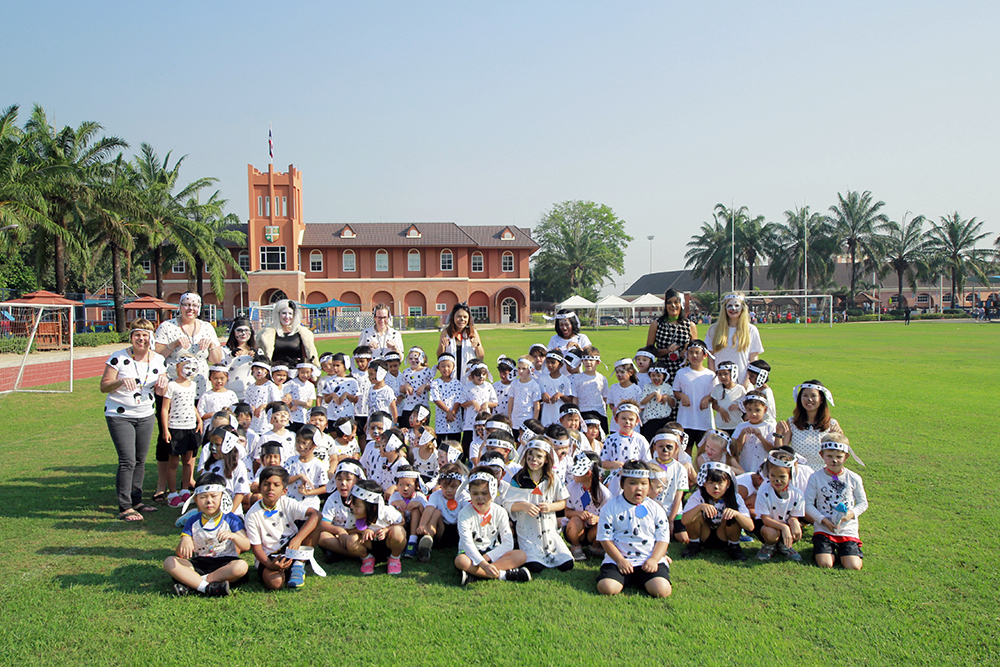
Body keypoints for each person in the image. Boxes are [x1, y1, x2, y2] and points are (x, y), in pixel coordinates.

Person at [153, 292, 224, 500]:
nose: (190, 309)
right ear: (180, 306)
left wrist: (211, 345)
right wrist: (174, 344)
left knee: (194, 434)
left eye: (194, 305)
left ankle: (188, 479)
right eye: (186, 304)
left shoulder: (207, 327)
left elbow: (217, 359)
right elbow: (156, 355)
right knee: (168, 436)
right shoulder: (168, 327)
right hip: (173, 390)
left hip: (198, 388)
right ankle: (162, 484)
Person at [101, 318, 169, 520]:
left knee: (140, 460)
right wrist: (120, 381)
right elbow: (104, 385)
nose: (141, 339)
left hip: (145, 413)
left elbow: (160, 390)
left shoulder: (157, 359)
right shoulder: (119, 358)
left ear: (151, 338)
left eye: (145, 335)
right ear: (131, 337)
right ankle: (124, 506)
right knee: (127, 460)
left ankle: (136, 500)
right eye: (137, 334)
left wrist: (163, 384)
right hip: (120, 414)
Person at [162, 472, 250, 597]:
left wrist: (234, 536)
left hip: (226, 563)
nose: (209, 501)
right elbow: (180, 554)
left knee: (241, 566)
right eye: (203, 497)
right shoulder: (193, 521)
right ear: (196, 499)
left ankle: (194, 583)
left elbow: (246, 545)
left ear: (223, 497)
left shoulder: (231, 519)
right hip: (200, 563)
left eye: (214, 496)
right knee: (169, 562)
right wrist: (185, 540)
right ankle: (208, 587)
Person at [595, 461, 672, 598]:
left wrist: (654, 559)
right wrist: (620, 560)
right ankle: (623, 578)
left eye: (644, 483)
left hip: (648, 559)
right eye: (633, 483)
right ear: (622, 484)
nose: (639, 488)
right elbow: (605, 539)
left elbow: (663, 539)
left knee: (662, 591)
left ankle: (645, 578)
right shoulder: (610, 507)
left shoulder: (656, 508)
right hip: (619, 559)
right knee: (606, 587)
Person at [245, 465, 321, 590]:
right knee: (275, 583)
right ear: (259, 488)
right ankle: (285, 570)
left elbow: (316, 514)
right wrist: (270, 565)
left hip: (292, 548)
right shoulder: (252, 515)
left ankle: (298, 564)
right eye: (266, 484)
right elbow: (257, 548)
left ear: (284, 491)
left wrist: (298, 539)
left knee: (316, 521)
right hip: (269, 556)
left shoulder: (287, 502)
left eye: (276, 485)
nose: (271, 488)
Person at [505, 439, 574, 573]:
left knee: (567, 564)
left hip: (549, 531)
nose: (533, 460)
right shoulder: (518, 479)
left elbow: (563, 502)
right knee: (535, 567)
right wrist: (524, 506)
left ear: (547, 459)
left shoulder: (552, 478)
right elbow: (508, 504)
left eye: (539, 456)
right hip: (528, 531)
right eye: (530, 456)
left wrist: (550, 507)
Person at [454, 468, 531, 585]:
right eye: (475, 494)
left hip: (492, 553)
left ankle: (475, 574)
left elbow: (508, 543)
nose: (480, 498)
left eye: (484, 493)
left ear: (493, 492)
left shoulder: (500, 511)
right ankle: (503, 575)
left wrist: (486, 559)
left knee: (521, 555)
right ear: (470, 493)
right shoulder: (464, 514)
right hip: (470, 554)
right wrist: (483, 564)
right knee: (460, 561)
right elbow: (467, 543)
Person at [804, 435, 868, 570]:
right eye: (829, 456)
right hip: (824, 528)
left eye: (839, 457)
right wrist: (823, 521)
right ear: (822, 455)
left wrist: (851, 514)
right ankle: (826, 550)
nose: (834, 460)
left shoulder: (853, 478)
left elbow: (863, 503)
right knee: (825, 564)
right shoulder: (815, 478)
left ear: (846, 457)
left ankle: (846, 551)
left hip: (847, 529)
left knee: (853, 566)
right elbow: (808, 504)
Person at [681, 461, 753, 561]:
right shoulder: (698, 496)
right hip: (704, 534)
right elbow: (685, 520)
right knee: (695, 514)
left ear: (728, 484)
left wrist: (736, 514)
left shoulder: (736, 497)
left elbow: (750, 526)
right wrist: (700, 507)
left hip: (724, 535)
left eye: (720, 483)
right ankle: (694, 544)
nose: (716, 487)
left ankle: (734, 547)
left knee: (733, 516)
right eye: (711, 483)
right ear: (704, 484)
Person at [775, 380, 848, 470]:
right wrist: (778, 433)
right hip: (799, 473)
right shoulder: (792, 422)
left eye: (813, 396)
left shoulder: (832, 424)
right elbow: (782, 451)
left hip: (822, 474)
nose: (809, 399)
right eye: (805, 396)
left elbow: (838, 454)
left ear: (821, 399)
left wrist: (838, 437)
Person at [162, 356, 204, 507]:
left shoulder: (193, 385)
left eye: (193, 368)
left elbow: (191, 404)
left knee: (188, 462)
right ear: (178, 367)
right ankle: (172, 493)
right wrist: (165, 429)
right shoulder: (171, 385)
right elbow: (165, 408)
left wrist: (198, 419)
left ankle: (185, 490)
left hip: (190, 427)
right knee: (173, 462)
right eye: (186, 367)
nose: (189, 371)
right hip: (175, 427)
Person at [344, 480, 407, 575]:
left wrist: (387, 530)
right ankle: (367, 558)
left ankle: (394, 558)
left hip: (388, 543)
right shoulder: (354, 514)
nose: (353, 508)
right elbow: (348, 530)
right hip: (369, 544)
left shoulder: (387, 512)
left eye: (357, 505)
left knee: (398, 531)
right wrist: (363, 530)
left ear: (371, 507)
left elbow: (402, 522)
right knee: (351, 540)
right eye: (353, 504)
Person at [646, 289, 697, 401]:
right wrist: (666, 351)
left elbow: (696, 350)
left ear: (681, 304)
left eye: (676, 302)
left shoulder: (689, 325)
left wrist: (687, 354)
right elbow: (649, 351)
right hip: (662, 373)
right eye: (669, 302)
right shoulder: (657, 324)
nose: (673, 305)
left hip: (682, 370)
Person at [754, 450, 805, 562]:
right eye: (773, 475)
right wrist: (784, 527)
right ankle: (769, 546)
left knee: (797, 531)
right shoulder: (764, 491)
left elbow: (793, 516)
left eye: (782, 476)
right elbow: (765, 519)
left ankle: (784, 545)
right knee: (771, 533)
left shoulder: (797, 494)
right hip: (767, 525)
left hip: (784, 523)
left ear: (790, 476)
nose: (777, 480)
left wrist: (794, 523)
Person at [707, 292, 763, 384]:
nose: (733, 309)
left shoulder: (751, 330)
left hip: (742, 381)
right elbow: (711, 357)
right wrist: (714, 381)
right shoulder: (714, 329)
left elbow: (753, 359)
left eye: (737, 305)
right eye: (729, 306)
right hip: (720, 383)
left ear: (742, 308)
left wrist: (746, 383)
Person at [564, 451, 609, 561]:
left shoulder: (604, 493)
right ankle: (576, 546)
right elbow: (567, 512)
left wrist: (598, 518)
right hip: (576, 530)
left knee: (604, 525)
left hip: (593, 531)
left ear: (588, 473)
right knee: (575, 520)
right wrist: (578, 514)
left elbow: (609, 517)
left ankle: (594, 547)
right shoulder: (571, 487)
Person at [257, 299, 319, 369]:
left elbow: (309, 355)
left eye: (290, 313)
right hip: (275, 373)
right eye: (283, 313)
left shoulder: (304, 333)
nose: (287, 317)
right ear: (278, 314)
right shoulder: (265, 334)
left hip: (296, 373)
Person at [436, 302, 485, 386]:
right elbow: (440, 356)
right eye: (459, 316)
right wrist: (442, 345)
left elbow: (481, 357)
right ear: (453, 317)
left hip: (467, 375)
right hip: (451, 374)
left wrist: (477, 345)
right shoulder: (446, 332)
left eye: (465, 317)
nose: (462, 319)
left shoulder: (472, 332)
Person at [221, 317, 258, 400]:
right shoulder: (225, 350)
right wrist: (231, 356)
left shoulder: (258, 351)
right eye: (239, 330)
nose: (243, 334)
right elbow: (221, 370)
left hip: (251, 393)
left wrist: (257, 358)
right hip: (231, 394)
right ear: (233, 332)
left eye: (247, 330)